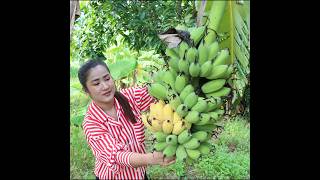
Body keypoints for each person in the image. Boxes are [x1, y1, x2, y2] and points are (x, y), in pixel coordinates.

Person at [78, 59, 175, 180]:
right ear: (86, 91)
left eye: (107, 78)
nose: (105, 86)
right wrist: (151, 158)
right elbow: (116, 156)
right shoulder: (91, 123)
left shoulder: (130, 97)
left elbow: (156, 93)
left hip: (138, 174)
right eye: (96, 83)